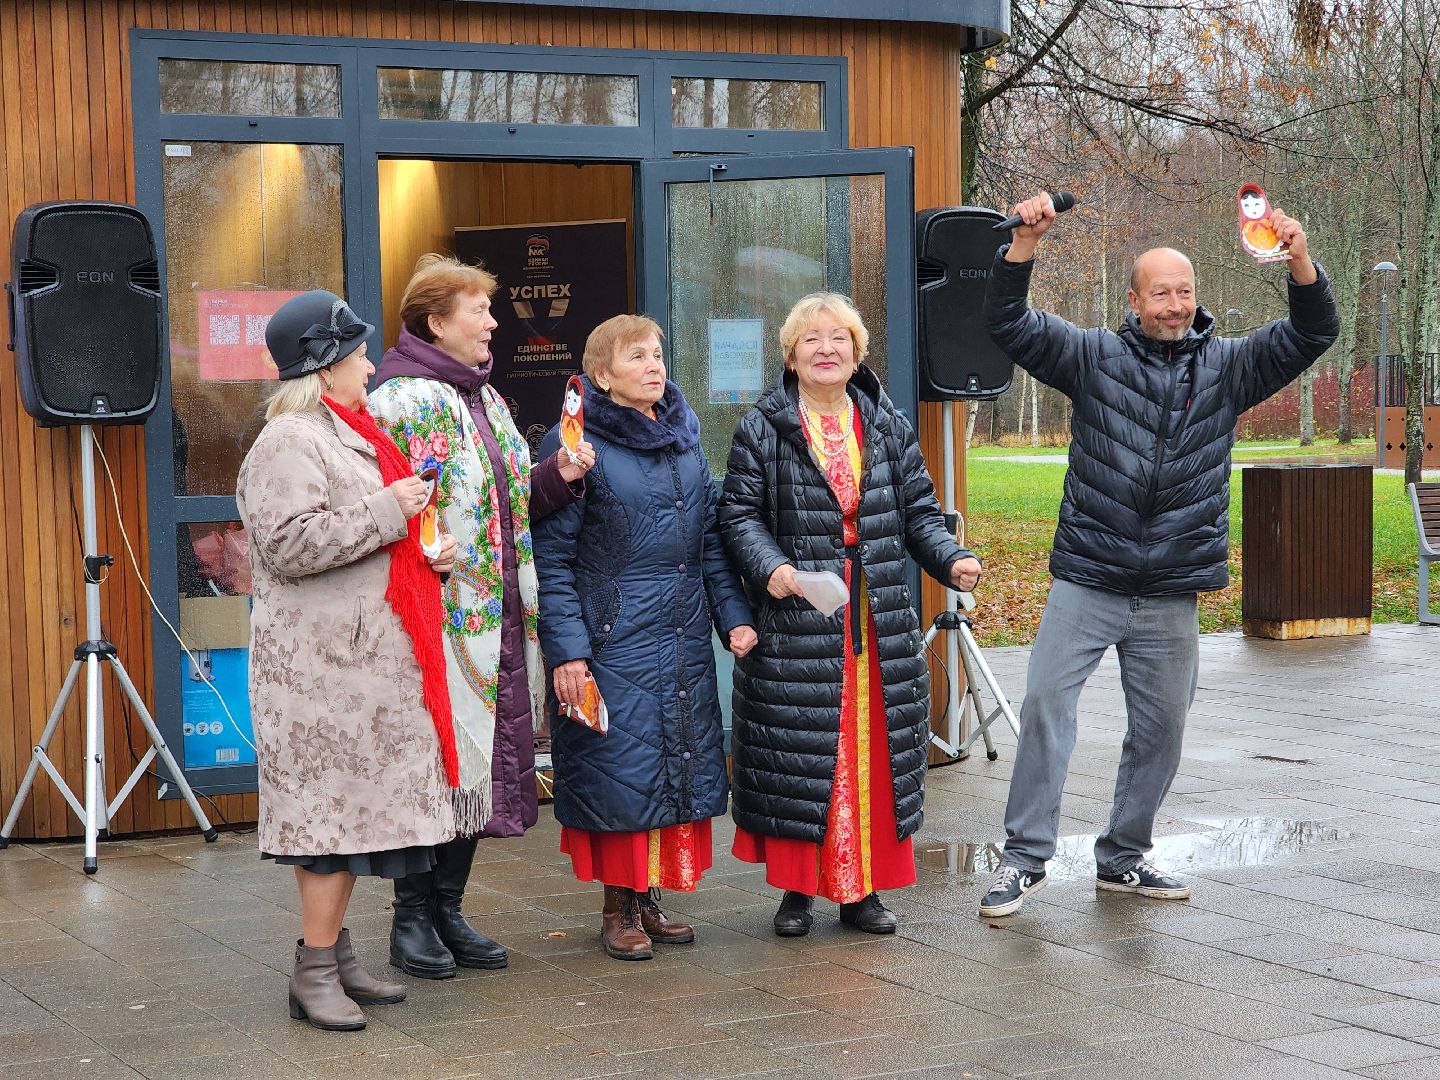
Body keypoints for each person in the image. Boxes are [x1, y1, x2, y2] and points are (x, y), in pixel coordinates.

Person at [977, 192, 1339, 918]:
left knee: (1162, 729)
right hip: (1090, 575)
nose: (1175, 305)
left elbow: (1312, 334)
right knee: (1047, 704)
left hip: (1172, 586)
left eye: (1185, 291)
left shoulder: (1231, 367)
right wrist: (1024, 246)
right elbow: (1009, 323)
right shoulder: (1092, 356)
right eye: (1161, 293)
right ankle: (1025, 859)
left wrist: (1299, 261)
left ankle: (1124, 856)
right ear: (1135, 300)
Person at [718, 292, 981, 937]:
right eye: (812, 340)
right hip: (799, 621)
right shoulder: (764, 427)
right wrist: (773, 570)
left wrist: (949, 561)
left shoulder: (887, 426)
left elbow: (919, 513)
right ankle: (797, 892)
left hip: (878, 621)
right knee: (802, 753)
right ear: (791, 355)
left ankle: (863, 889)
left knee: (873, 752)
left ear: (858, 352)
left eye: (839, 338)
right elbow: (739, 516)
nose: (826, 349)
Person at [235, 290, 460, 1031]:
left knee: (353, 826)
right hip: (321, 678)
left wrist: (430, 557)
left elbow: (375, 542)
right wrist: (393, 511)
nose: (369, 361)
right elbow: (291, 544)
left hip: (360, 673)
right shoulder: (289, 441)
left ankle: (333, 954)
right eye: (357, 352)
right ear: (323, 366)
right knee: (327, 830)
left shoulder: (348, 431)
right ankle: (314, 971)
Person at [368, 254, 594, 979]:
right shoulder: (399, 401)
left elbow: (506, 507)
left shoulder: (487, 401)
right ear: (435, 321)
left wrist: (557, 475)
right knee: (432, 765)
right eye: (479, 311)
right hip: (432, 623)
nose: (493, 322)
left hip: (492, 617)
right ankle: (411, 917)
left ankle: (449, 910)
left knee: (477, 766)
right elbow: (386, 511)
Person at [533, 315, 756, 961]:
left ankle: (649, 898)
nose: (655, 366)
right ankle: (616, 909)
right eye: (637, 357)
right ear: (602, 375)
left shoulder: (683, 440)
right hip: (613, 636)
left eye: (659, 354)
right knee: (619, 775)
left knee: (670, 768)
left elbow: (711, 542)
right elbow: (552, 561)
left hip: (681, 633)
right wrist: (569, 651)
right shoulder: (574, 444)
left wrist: (733, 616)